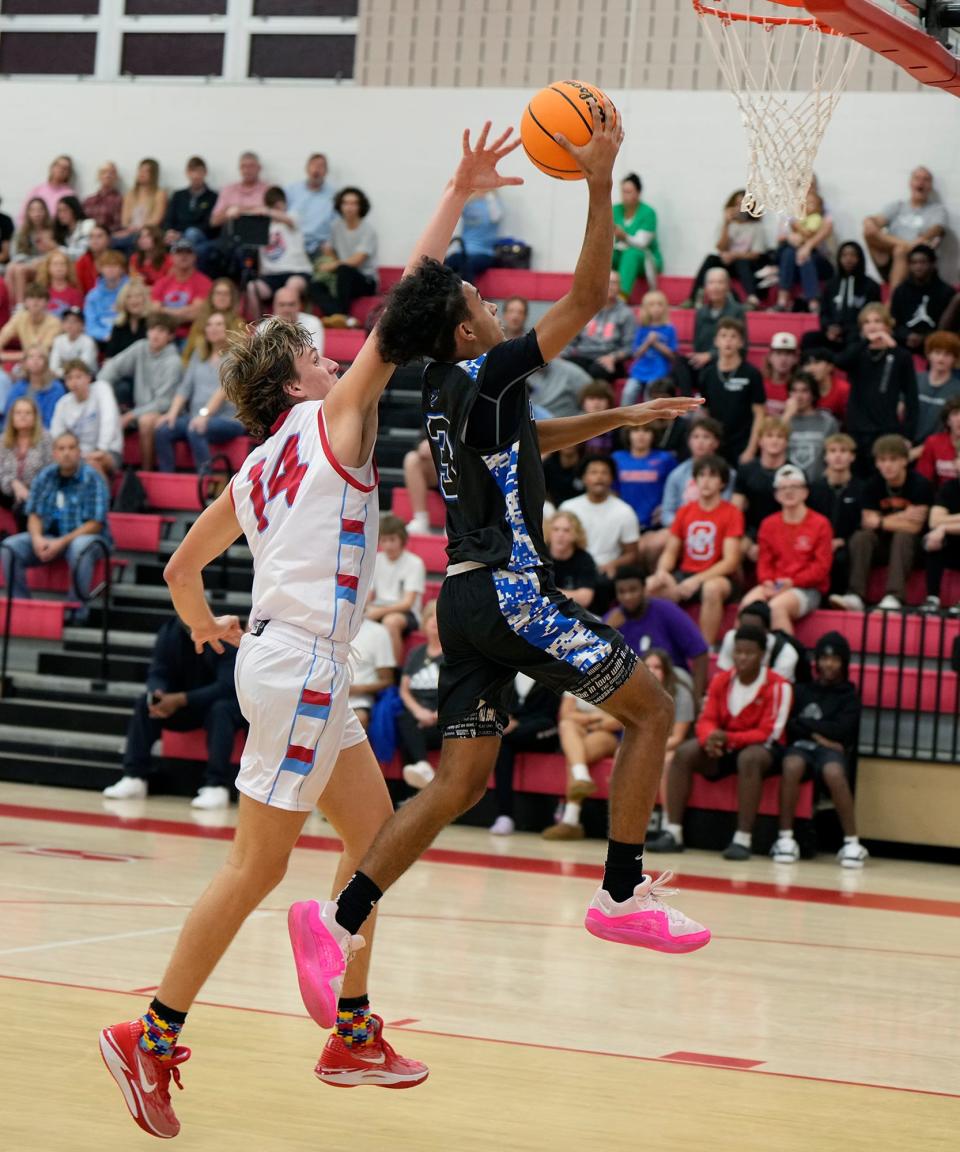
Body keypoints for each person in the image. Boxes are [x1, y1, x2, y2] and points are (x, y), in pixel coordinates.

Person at [97, 121, 519, 1138]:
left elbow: (182, 564)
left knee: (376, 842)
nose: (337, 354)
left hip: (293, 664)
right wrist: (457, 192)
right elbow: (413, 293)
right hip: (303, 668)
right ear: (297, 381)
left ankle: (352, 1030)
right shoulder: (334, 420)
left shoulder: (260, 462)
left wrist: (206, 627)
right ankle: (147, 1038)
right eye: (317, 352)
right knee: (257, 870)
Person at [295, 104, 710, 1031]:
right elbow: (589, 299)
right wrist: (600, 180)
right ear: (470, 335)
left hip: (463, 603)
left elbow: (525, 439)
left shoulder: (451, 389)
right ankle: (621, 891)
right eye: (485, 305)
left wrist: (614, 420)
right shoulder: (485, 374)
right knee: (653, 707)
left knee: (459, 783)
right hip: (512, 592)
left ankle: (336, 916)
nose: (496, 305)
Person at [647, 624, 792, 860]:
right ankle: (673, 832)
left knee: (750, 758)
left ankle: (743, 839)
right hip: (724, 746)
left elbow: (769, 733)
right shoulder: (721, 680)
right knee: (684, 753)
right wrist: (709, 738)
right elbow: (707, 719)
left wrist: (728, 738)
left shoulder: (779, 686)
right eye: (738, 652)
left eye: (749, 653)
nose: (742, 658)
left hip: (763, 752)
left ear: (762, 655)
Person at [102, 616, 248, 810]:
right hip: (183, 705)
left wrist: (181, 698)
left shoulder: (223, 631)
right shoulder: (170, 631)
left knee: (221, 710)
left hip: (219, 705)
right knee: (144, 704)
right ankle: (134, 776)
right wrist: (158, 693)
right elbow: (158, 671)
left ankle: (216, 785)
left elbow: (227, 686)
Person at [771, 632, 865, 867]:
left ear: (844, 662)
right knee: (791, 765)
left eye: (834, 659)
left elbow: (842, 731)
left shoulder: (849, 696)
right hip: (802, 747)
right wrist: (820, 735)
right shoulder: (803, 690)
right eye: (823, 658)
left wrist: (814, 730)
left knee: (834, 772)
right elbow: (791, 724)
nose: (828, 664)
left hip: (829, 753)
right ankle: (785, 839)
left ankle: (852, 842)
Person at [0, 430, 109, 622]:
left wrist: (61, 542)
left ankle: (76, 612)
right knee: (9, 547)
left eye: (71, 448)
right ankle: (21, 607)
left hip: (87, 539)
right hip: (50, 537)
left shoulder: (92, 477)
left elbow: (95, 523)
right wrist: (37, 539)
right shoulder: (45, 476)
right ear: (54, 453)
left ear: (79, 452)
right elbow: (34, 514)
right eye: (61, 448)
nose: (66, 452)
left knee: (80, 548)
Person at [646, 454, 744, 647]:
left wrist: (697, 580)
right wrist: (662, 572)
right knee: (651, 585)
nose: (706, 481)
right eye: (701, 475)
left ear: (722, 483)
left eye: (712, 476)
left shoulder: (731, 512)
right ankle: (656, 646)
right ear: (695, 480)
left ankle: (704, 649)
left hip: (719, 577)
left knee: (712, 588)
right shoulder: (685, 511)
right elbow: (670, 551)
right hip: (687, 574)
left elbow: (731, 561)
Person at [830, 434, 934, 611]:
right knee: (861, 537)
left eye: (893, 460)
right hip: (882, 544)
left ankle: (894, 596)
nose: (887, 465)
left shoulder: (920, 484)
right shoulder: (872, 485)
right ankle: (855, 595)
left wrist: (880, 521)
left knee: (903, 535)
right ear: (877, 463)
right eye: (882, 460)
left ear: (904, 461)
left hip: (913, 548)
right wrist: (901, 517)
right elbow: (868, 522)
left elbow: (915, 526)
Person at [739, 463, 833, 634]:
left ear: (805, 492)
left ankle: (789, 657)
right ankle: (743, 655)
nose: (789, 492)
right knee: (747, 606)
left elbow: (821, 568)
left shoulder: (821, 524)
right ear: (776, 495)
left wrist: (792, 582)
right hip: (775, 583)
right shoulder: (768, 524)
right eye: (783, 488)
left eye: (794, 487)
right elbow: (764, 561)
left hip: (807, 588)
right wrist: (767, 581)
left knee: (776, 608)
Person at [154, 313, 244, 474]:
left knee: (196, 428)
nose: (213, 328)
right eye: (209, 325)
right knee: (163, 430)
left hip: (228, 419)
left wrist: (204, 414)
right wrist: (172, 413)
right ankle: (167, 478)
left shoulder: (235, 357)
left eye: (219, 324)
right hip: (196, 417)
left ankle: (206, 481)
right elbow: (185, 387)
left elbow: (222, 391)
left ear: (228, 329)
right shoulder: (199, 355)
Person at [604, 565, 708, 700]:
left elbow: (700, 652)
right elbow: (596, 663)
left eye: (633, 590)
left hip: (671, 682)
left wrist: (696, 698)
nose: (627, 597)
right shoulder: (612, 619)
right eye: (621, 592)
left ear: (644, 588)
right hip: (631, 689)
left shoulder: (666, 610)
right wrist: (607, 630)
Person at [99, 314, 182, 467]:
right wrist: (101, 391)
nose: (155, 334)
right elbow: (112, 368)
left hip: (165, 413)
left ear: (170, 336)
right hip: (139, 409)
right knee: (106, 412)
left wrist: (131, 415)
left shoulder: (174, 361)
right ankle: (111, 466)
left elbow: (164, 402)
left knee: (145, 421)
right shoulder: (140, 347)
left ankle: (147, 471)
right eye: (152, 329)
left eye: (161, 331)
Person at [542, 692, 623, 841]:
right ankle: (581, 777)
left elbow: (617, 721)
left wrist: (585, 719)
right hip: (582, 730)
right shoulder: (575, 676)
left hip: (609, 735)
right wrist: (596, 717)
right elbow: (566, 715)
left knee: (574, 753)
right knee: (566, 726)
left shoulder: (616, 676)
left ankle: (570, 820)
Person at [559, 455, 640, 600]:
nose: (599, 477)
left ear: (612, 478)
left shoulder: (625, 511)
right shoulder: (568, 507)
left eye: (604, 472)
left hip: (603, 572)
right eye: (594, 472)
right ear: (583, 478)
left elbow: (632, 554)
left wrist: (613, 564)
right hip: (571, 568)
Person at [488, 674, 560, 836]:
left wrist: (519, 724)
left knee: (505, 736)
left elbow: (550, 715)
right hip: (512, 735)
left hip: (544, 731)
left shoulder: (550, 674)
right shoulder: (508, 675)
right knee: (502, 745)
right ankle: (504, 815)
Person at [862, 166, 947, 289]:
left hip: (916, 258)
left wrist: (914, 244)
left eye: (926, 179)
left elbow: (937, 229)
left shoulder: (937, 210)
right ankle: (903, 245)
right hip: (887, 257)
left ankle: (892, 302)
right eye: (917, 178)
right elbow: (874, 221)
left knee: (900, 251)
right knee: (869, 232)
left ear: (930, 186)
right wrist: (868, 221)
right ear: (910, 183)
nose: (921, 182)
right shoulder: (898, 206)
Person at [686, 191, 770, 310]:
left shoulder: (757, 227)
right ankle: (693, 298)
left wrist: (735, 255)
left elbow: (756, 254)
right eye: (737, 205)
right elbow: (720, 247)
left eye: (744, 205)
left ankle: (753, 298)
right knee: (711, 259)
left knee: (742, 263)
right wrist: (726, 224)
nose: (740, 208)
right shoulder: (726, 225)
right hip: (727, 263)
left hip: (745, 263)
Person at [698, 316, 765, 465]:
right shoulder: (707, 374)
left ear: (741, 342)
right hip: (716, 445)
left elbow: (760, 414)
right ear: (716, 341)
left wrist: (751, 449)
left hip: (743, 444)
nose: (728, 341)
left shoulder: (752, 374)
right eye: (723, 336)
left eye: (733, 336)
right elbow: (705, 413)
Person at [807, 433, 865, 597]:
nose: (838, 455)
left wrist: (843, 540)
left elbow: (864, 522)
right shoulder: (814, 489)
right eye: (832, 451)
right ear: (825, 457)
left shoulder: (862, 488)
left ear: (852, 457)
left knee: (841, 557)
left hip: (847, 545)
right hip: (817, 544)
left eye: (843, 451)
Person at [309, 187, 379, 322]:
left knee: (344, 270)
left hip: (365, 281)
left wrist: (333, 265)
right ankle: (341, 318)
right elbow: (331, 251)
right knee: (314, 285)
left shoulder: (368, 230)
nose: (349, 207)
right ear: (340, 206)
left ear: (361, 206)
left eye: (354, 203)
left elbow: (357, 261)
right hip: (342, 278)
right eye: (345, 203)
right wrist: (327, 257)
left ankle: (338, 315)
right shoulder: (336, 226)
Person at [396, 599, 445, 790]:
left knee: (408, 733)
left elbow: (461, 692)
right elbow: (404, 689)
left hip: (443, 720)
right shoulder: (416, 653)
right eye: (429, 616)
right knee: (405, 720)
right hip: (418, 718)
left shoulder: (454, 655)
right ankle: (422, 769)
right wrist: (419, 712)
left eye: (439, 617)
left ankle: (411, 798)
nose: (434, 621)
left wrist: (438, 714)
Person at [367, 514, 427, 664]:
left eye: (392, 540)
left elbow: (407, 603)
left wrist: (377, 611)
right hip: (379, 607)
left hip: (407, 613)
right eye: (384, 540)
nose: (388, 545)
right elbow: (368, 595)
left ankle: (393, 674)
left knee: (391, 622)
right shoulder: (375, 560)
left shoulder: (415, 563)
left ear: (402, 539)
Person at [246, 187, 313, 320]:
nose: (276, 209)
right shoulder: (263, 227)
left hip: (296, 272)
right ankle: (261, 328)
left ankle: (294, 327)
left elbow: (288, 219)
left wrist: (267, 211)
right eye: (272, 206)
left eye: (278, 205)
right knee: (252, 288)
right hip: (271, 275)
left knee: (291, 286)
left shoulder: (293, 217)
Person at [733, 416, 792, 564]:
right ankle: (736, 586)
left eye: (780, 436)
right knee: (735, 549)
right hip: (751, 531)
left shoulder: (794, 473)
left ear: (787, 442)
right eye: (769, 435)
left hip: (784, 531)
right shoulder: (746, 470)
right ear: (760, 441)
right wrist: (747, 541)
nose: (774, 440)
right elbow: (736, 509)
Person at [560, 270, 637, 382]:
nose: (610, 286)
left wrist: (613, 357)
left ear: (619, 287)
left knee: (597, 370)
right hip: (584, 356)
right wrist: (561, 356)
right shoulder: (586, 310)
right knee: (565, 367)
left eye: (614, 283)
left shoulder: (626, 313)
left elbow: (629, 347)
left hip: (610, 358)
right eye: (608, 282)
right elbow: (572, 340)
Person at [50, 359, 123, 478]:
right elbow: (56, 434)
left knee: (92, 465)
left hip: (109, 450)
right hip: (77, 454)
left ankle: (102, 496)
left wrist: (101, 449)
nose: (74, 382)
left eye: (78, 377)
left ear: (88, 378)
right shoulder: (63, 403)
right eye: (69, 378)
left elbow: (108, 421)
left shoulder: (102, 389)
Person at [814, 240, 881, 355]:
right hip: (831, 332)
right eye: (844, 255)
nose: (848, 259)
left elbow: (872, 316)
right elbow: (824, 313)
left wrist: (845, 330)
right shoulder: (830, 285)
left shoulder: (871, 286)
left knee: (855, 339)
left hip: (856, 333)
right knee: (809, 339)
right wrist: (829, 327)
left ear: (860, 258)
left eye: (852, 255)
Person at [715, 600, 805, 684]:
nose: (747, 635)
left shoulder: (786, 654)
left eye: (753, 630)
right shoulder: (731, 637)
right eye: (744, 628)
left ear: (767, 631)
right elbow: (725, 678)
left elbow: (776, 689)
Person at [774, 187, 833, 314]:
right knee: (789, 253)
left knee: (804, 256)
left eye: (812, 203)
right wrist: (792, 237)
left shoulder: (817, 219)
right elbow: (781, 238)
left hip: (816, 260)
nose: (807, 206)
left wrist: (797, 228)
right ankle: (782, 300)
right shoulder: (796, 216)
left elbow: (809, 233)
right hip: (793, 259)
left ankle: (813, 301)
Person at [0, 395, 52, 531]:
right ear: (12, 417)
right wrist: (14, 484)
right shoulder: (3, 440)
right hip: (8, 490)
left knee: (24, 505)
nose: (23, 416)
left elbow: (50, 470)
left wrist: (28, 489)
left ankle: (22, 544)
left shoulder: (45, 439)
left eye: (28, 413)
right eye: (18, 413)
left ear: (35, 417)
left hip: (36, 492)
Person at [612, 422, 676, 532]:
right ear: (628, 434)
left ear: (653, 434)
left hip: (655, 524)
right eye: (636, 430)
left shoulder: (665, 459)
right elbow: (612, 491)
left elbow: (674, 489)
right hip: (622, 522)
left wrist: (665, 509)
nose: (641, 435)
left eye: (646, 430)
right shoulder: (616, 458)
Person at [890, 244, 955, 351]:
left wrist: (925, 338)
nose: (918, 267)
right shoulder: (901, 291)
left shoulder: (946, 292)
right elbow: (894, 324)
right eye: (914, 263)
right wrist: (907, 336)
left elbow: (949, 328)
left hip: (937, 346)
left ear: (932, 264)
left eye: (922, 262)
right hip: (904, 344)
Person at [622, 289, 677, 405]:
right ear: (646, 309)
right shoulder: (642, 328)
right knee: (628, 391)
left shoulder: (669, 329)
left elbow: (672, 355)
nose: (656, 308)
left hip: (659, 370)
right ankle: (623, 420)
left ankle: (649, 423)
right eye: (652, 305)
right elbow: (636, 354)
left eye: (660, 304)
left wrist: (656, 343)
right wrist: (647, 342)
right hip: (640, 370)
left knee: (650, 394)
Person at [150, 239, 213, 339]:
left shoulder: (204, 282)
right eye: (179, 252)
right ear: (171, 257)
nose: (184, 256)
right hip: (164, 335)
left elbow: (196, 313)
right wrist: (185, 311)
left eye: (188, 252)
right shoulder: (162, 282)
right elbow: (154, 311)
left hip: (191, 335)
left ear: (194, 256)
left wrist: (164, 310)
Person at [612, 172, 662, 296]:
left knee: (631, 254)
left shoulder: (648, 212)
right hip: (620, 253)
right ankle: (593, 296)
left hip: (644, 256)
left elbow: (642, 243)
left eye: (629, 192)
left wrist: (624, 236)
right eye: (623, 191)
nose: (625, 195)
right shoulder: (615, 210)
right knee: (604, 254)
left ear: (638, 193)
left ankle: (621, 298)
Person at [784, 371, 838, 484]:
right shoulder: (783, 420)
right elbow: (771, 445)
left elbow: (835, 455)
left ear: (813, 394)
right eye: (794, 391)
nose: (799, 396)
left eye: (804, 391)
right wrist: (787, 415)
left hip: (818, 484)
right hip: (787, 484)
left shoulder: (828, 422)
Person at [348, 603, 395, 730]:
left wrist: (356, 689)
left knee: (357, 720)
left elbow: (388, 680)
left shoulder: (378, 632)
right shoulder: (327, 628)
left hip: (359, 700)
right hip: (328, 695)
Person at [162, 156, 218, 261]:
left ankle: (181, 260)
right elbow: (169, 218)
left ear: (205, 173)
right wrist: (170, 231)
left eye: (199, 172)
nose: (196, 176)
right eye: (192, 171)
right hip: (177, 234)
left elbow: (208, 224)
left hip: (199, 235)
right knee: (160, 237)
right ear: (187, 173)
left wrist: (181, 234)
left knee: (191, 233)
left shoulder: (213, 197)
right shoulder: (178, 195)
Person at [5, 197, 55, 308]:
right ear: (28, 213)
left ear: (45, 211)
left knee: (19, 269)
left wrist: (38, 260)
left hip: (44, 265)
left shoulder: (52, 229)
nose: (37, 213)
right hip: (28, 264)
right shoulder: (22, 231)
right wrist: (30, 261)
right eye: (33, 210)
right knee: (11, 267)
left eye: (40, 210)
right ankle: (11, 305)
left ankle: (20, 305)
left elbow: (55, 252)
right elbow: (14, 254)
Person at [914, 330, 960, 449]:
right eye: (937, 352)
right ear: (929, 354)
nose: (941, 358)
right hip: (907, 444)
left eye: (947, 354)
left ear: (955, 359)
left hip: (938, 449)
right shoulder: (916, 379)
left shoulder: (957, 389)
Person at [285, 153, 336, 260]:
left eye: (321, 166)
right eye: (313, 165)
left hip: (320, 247)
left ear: (326, 172)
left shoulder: (334, 196)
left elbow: (337, 225)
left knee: (327, 273)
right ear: (306, 168)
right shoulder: (291, 190)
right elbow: (279, 214)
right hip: (292, 245)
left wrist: (329, 244)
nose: (316, 170)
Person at [544, 509, 599, 608]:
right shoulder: (539, 555)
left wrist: (549, 592)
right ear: (549, 532)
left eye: (566, 530)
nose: (560, 535)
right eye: (556, 529)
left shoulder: (584, 559)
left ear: (576, 534)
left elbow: (585, 599)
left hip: (574, 612)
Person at [111, 158, 168, 253]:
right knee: (110, 239)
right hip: (130, 230)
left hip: (149, 232)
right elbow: (124, 221)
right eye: (140, 170)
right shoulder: (130, 194)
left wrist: (138, 228)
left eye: (147, 171)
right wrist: (129, 229)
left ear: (153, 174)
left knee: (132, 240)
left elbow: (156, 220)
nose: (142, 173)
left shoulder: (159, 194)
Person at [445, 190, 502, 283]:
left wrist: (489, 195)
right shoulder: (468, 202)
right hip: (463, 251)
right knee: (446, 264)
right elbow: (450, 213)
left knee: (468, 265)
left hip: (484, 253)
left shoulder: (493, 202)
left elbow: (496, 217)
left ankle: (467, 296)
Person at [4, 345, 65, 427]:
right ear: (24, 363)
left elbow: (53, 420)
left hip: (46, 434)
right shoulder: (18, 388)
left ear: (46, 363)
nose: (35, 360)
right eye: (31, 357)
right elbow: (9, 417)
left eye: (40, 357)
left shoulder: (56, 389)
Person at [924, 476, 960, 610]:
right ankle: (932, 598)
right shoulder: (949, 487)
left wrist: (944, 526)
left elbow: (939, 522)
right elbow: (933, 521)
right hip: (952, 545)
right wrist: (941, 528)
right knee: (934, 539)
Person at [0, 283, 61, 363]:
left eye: (39, 298)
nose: (35, 302)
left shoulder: (55, 323)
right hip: (25, 364)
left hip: (46, 366)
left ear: (47, 302)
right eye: (31, 298)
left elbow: (41, 353)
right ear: (25, 302)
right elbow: (2, 337)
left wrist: (5, 356)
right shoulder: (19, 317)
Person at [83, 250, 129, 348]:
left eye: (115, 266)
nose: (110, 270)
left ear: (122, 269)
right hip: (102, 340)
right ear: (100, 269)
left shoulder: (131, 291)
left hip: (127, 336)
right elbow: (90, 325)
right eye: (107, 266)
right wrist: (105, 335)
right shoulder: (92, 296)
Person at [916, 396, 960, 493]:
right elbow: (922, 479)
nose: (959, 419)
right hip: (940, 501)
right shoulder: (934, 442)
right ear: (948, 420)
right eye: (955, 413)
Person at [269, 280, 324, 353]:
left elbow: (316, 355)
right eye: (282, 304)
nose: (286, 309)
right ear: (274, 306)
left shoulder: (313, 322)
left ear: (300, 305)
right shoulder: (264, 326)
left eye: (291, 304)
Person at [102, 277, 150, 360]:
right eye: (129, 297)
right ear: (123, 301)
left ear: (144, 299)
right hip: (121, 370)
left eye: (138, 296)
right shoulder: (118, 324)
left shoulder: (153, 322)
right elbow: (109, 357)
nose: (134, 300)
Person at [801, 345, 849, 425]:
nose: (811, 368)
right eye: (807, 364)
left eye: (817, 362)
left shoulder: (843, 389)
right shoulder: (799, 389)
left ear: (830, 366)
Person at [18, 155, 75, 222]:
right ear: (52, 168)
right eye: (58, 166)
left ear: (68, 173)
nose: (61, 169)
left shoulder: (70, 194)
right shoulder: (38, 190)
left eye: (65, 168)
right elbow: (23, 215)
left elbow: (70, 220)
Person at [49, 306, 98, 378]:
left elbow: (83, 367)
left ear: (82, 325)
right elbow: (53, 366)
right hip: (62, 377)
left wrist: (60, 372)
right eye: (67, 321)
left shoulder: (88, 341)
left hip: (87, 378)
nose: (70, 324)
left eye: (74, 321)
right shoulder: (58, 340)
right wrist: (59, 373)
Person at [35, 248, 83, 318]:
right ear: (48, 268)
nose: (59, 267)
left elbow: (77, 319)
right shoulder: (41, 292)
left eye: (62, 264)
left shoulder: (75, 293)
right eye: (55, 264)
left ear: (68, 268)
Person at [762, 331, 799, 417]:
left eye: (788, 354)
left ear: (795, 359)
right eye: (778, 353)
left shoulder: (800, 389)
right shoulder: (760, 385)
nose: (783, 359)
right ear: (770, 357)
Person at [83, 161, 123, 233]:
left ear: (116, 177)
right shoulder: (88, 201)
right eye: (104, 172)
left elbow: (119, 226)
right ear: (98, 176)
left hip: (109, 239)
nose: (107, 175)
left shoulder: (119, 200)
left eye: (111, 173)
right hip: (88, 239)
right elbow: (82, 224)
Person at [53, 196, 94, 262]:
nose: (61, 214)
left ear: (74, 210)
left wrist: (56, 248)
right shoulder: (63, 232)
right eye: (59, 211)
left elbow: (81, 253)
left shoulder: (87, 225)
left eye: (65, 210)